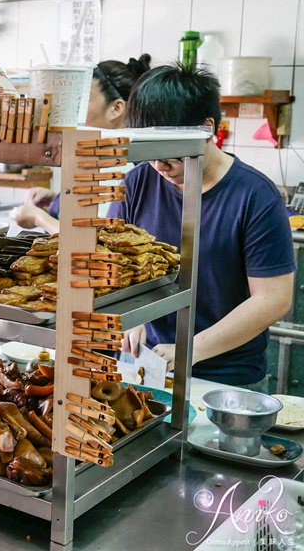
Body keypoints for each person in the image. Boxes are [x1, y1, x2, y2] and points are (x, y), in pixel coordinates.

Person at [110, 63, 295, 390]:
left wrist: (191, 349)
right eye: (152, 152)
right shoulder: (138, 183)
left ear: (207, 128)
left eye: (172, 152)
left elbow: (273, 299)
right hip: (149, 363)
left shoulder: (255, 196)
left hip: (228, 380)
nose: (160, 166)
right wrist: (128, 317)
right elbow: (115, 264)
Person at [11, 54, 152, 233]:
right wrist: (57, 200)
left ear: (116, 109)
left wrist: (38, 217)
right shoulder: (99, 155)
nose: (73, 108)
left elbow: (92, 239)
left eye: (82, 99)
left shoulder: (121, 166)